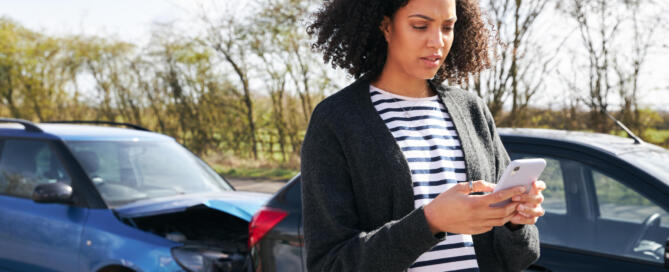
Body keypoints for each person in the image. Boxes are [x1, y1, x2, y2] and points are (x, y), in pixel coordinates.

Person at [300, 0, 546, 271]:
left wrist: (515, 220)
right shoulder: (336, 120)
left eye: (448, 27)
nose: (437, 42)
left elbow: (520, 257)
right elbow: (329, 264)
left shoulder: (471, 110)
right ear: (385, 26)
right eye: (420, 26)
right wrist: (430, 221)